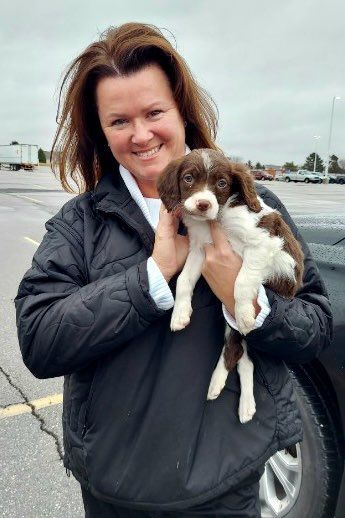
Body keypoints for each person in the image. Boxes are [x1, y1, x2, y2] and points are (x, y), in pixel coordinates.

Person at [15, 23, 332, 518]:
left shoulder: (254, 206)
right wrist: (153, 275)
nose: (141, 135)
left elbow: (314, 326)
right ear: (101, 131)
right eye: (119, 121)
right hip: (117, 488)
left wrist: (247, 300)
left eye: (154, 112)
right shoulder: (81, 224)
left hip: (228, 482)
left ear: (183, 111)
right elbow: (39, 341)